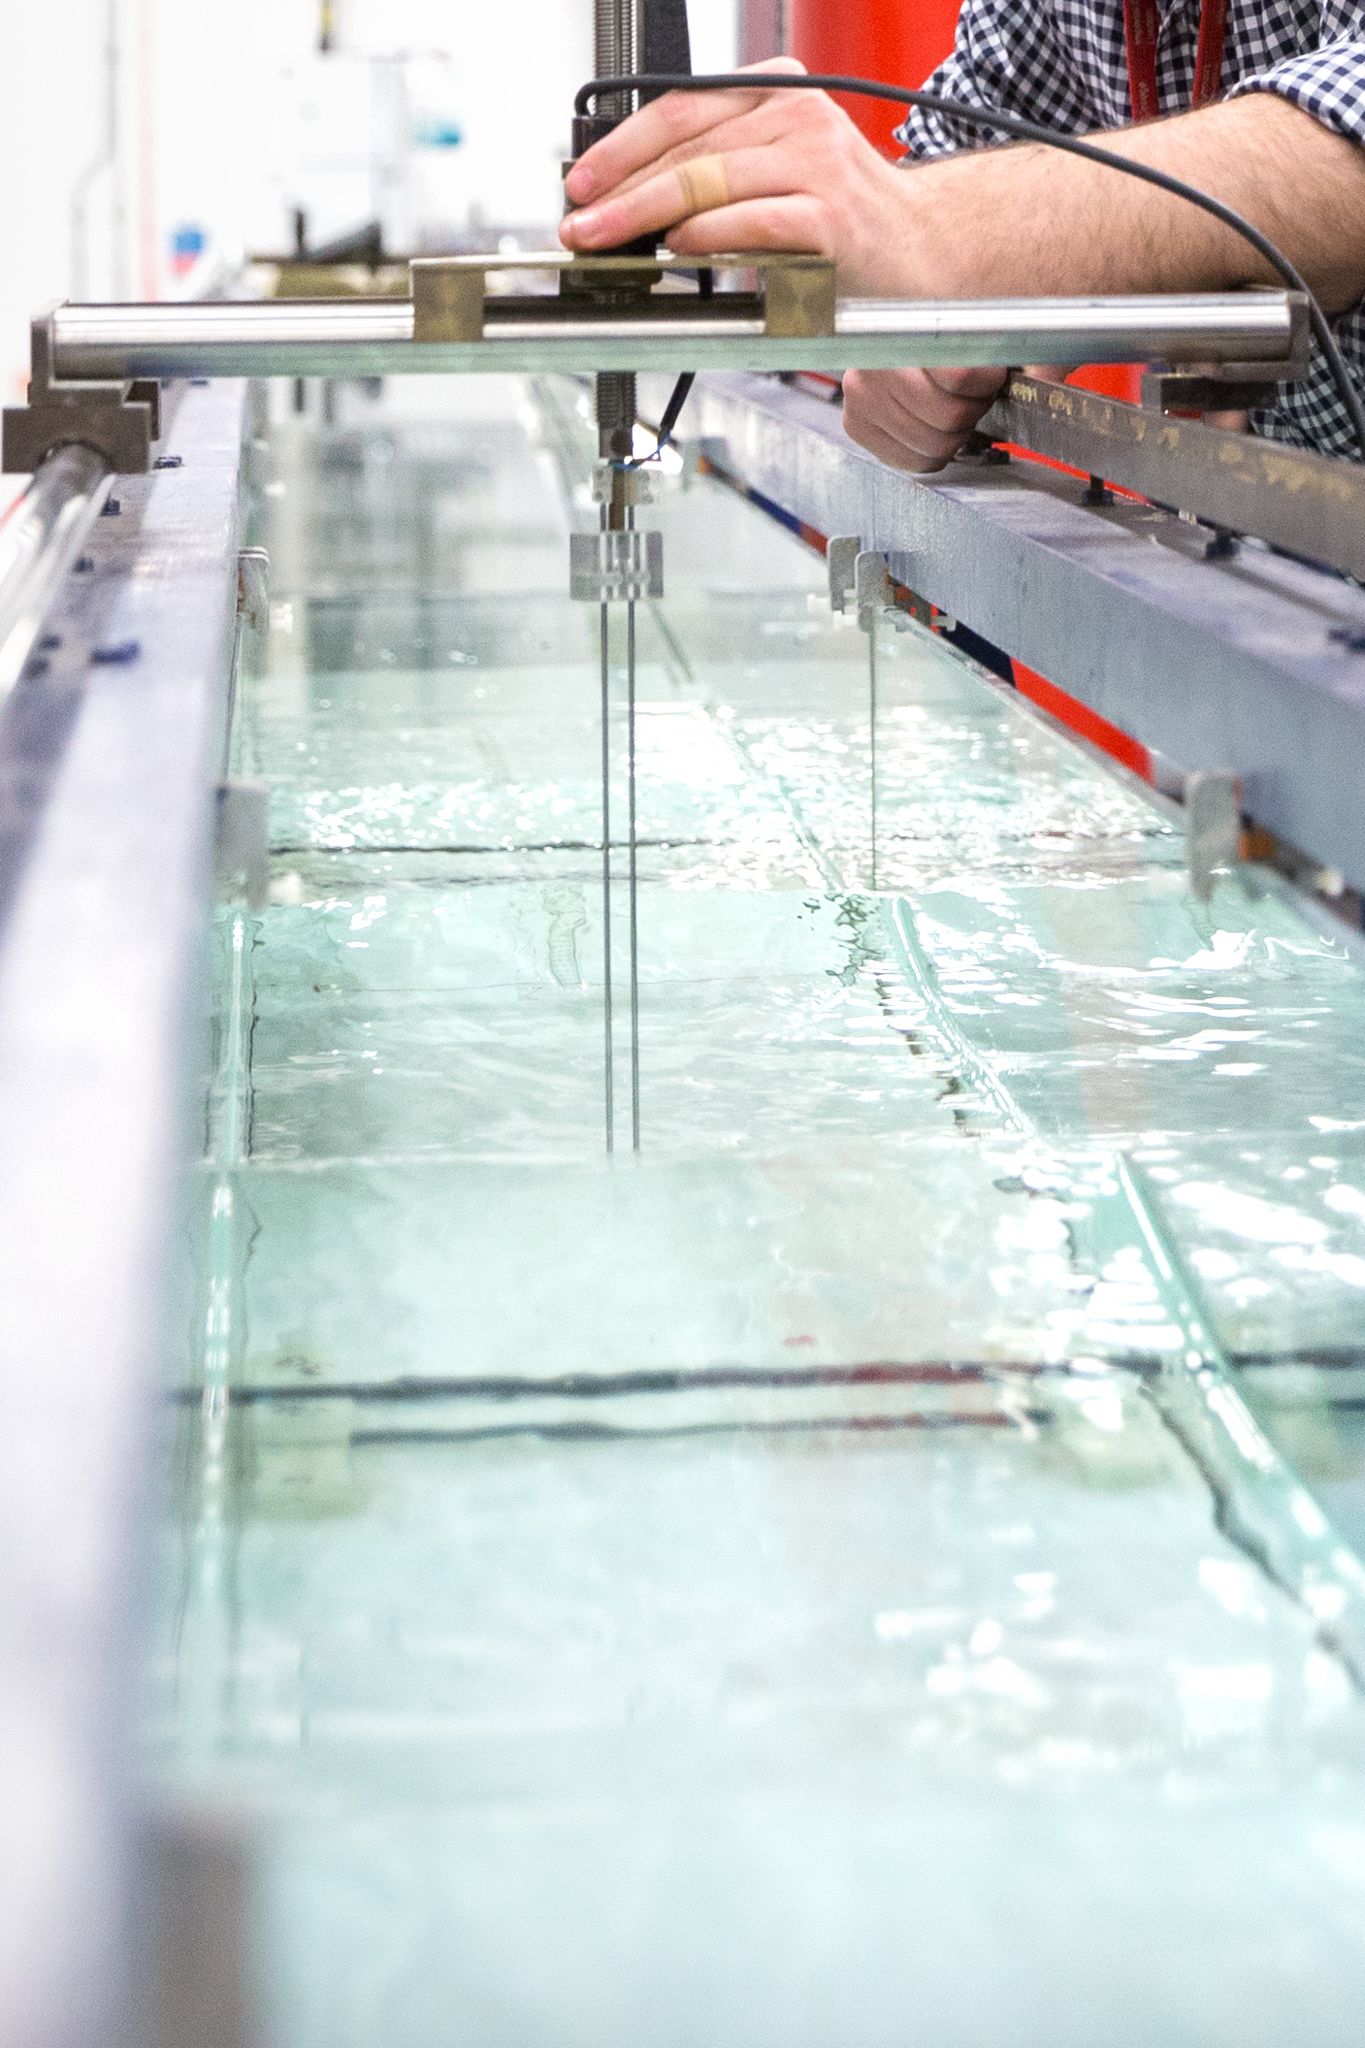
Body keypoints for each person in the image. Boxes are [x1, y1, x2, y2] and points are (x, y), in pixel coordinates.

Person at [559, 8, 1365, 467]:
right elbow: (939, 207)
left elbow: (1343, 147)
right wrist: (913, 352)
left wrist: (939, 230)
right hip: (1282, 589)